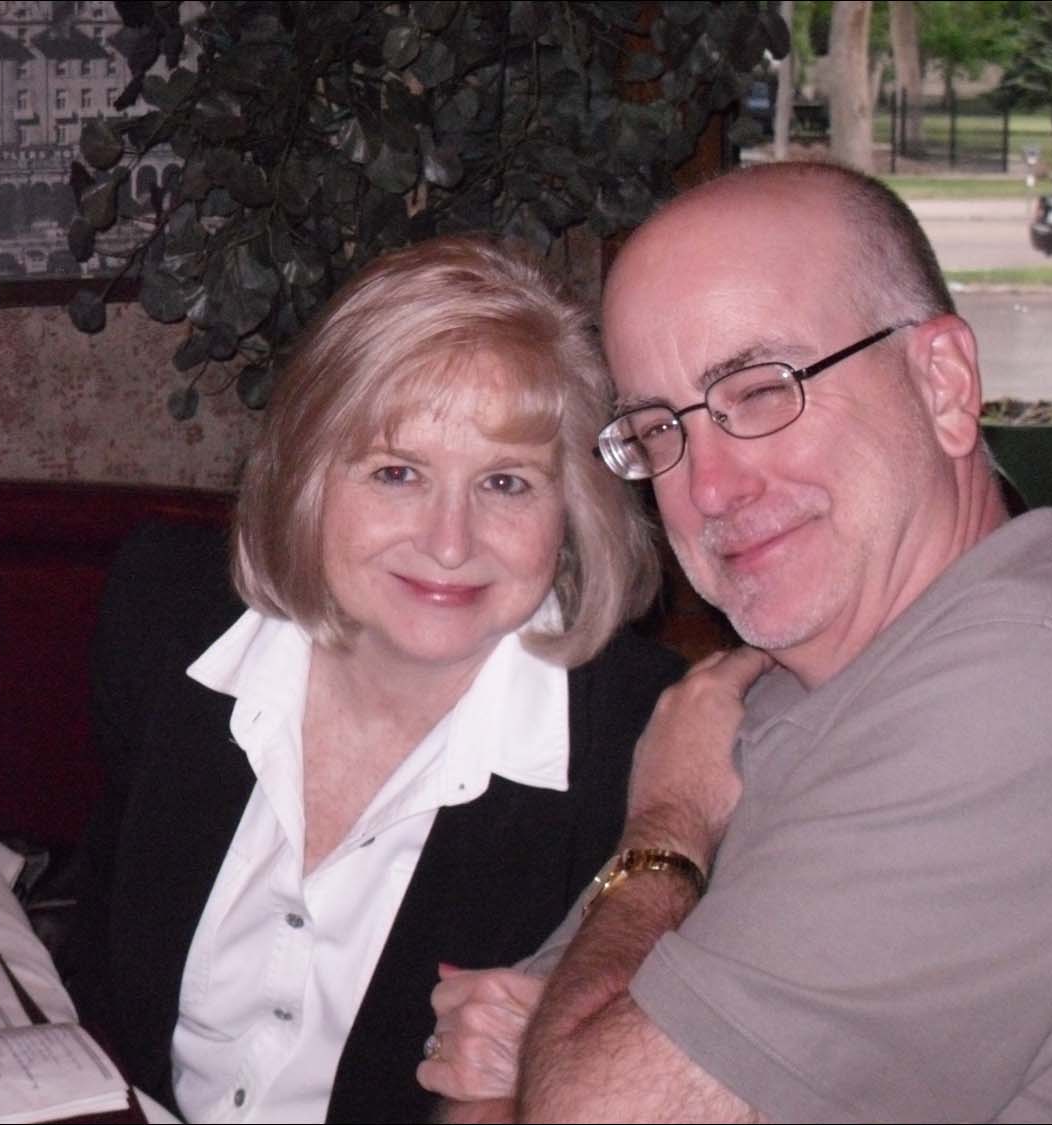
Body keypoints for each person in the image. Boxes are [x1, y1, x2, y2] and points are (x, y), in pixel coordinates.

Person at [421, 163, 1052, 1122]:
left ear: (944, 383)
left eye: (761, 391)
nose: (709, 488)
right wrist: (555, 1046)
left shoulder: (1042, 692)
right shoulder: (777, 688)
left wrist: (665, 832)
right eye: (659, 429)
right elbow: (479, 1064)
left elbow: (577, 1103)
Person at [65, 236, 685, 1124]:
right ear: (308, 475)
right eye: (397, 472)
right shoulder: (167, 621)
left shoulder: (641, 747)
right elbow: (100, 965)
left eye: (506, 483)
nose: (448, 541)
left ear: (575, 507)